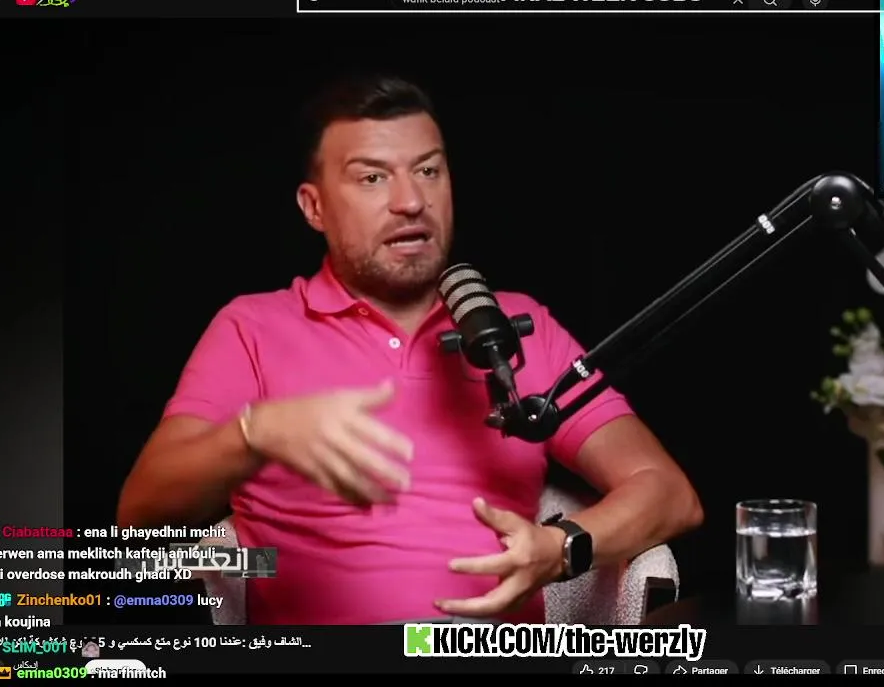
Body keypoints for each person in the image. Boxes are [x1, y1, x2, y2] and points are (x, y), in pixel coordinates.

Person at [116, 73, 704, 625]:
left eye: (428, 170)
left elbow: (669, 492)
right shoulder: (252, 327)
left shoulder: (517, 325)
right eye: (373, 178)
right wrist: (254, 434)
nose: (410, 201)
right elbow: (139, 513)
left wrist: (561, 547)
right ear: (314, 207)